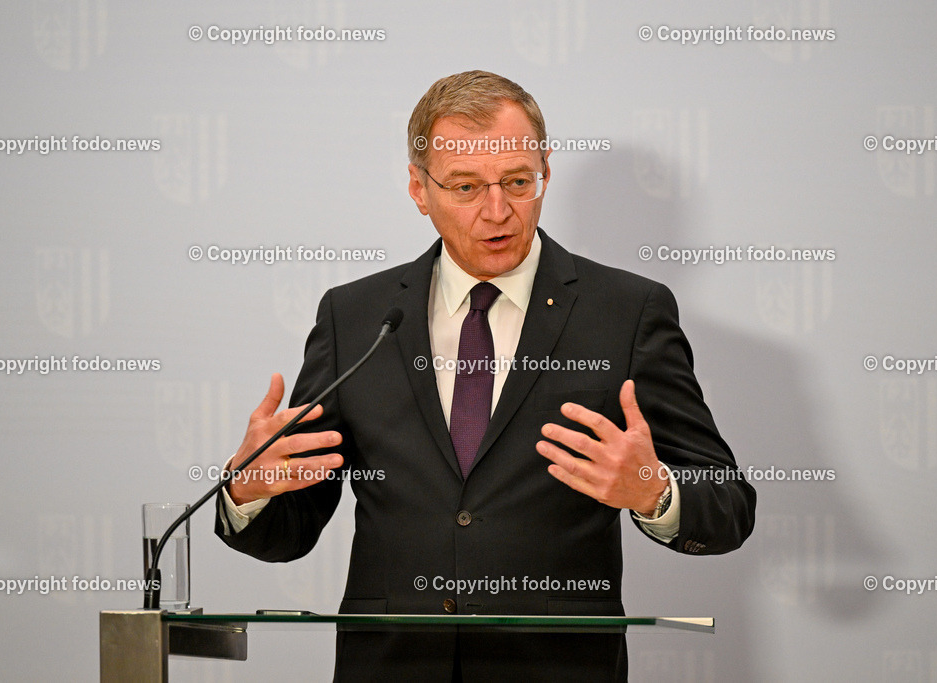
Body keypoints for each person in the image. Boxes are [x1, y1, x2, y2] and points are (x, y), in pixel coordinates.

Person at [215, 70, 756, 682]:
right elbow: (291, 530)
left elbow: (728, 506)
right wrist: (250, 489)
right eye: (466, 187)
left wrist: (653, 491)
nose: (497, 212)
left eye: (518, 182)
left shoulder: (627, 312)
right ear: (419, 189)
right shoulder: (356, 318)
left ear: (545, 172)